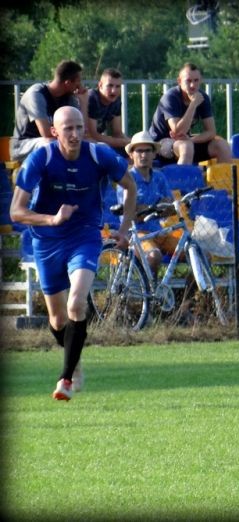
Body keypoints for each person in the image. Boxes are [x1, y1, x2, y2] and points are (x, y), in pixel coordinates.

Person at [10, 106, 136, 401]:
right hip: (47, 241)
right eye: (68, 128)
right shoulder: (41, 157)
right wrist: (52, 219)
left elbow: (130, 187)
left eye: (79, 127)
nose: (76, 134)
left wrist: (124, 229)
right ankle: (75, 361)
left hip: (85, 236)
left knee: (77, 303)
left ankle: (65, 379)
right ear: (55, 132)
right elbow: (16, 211)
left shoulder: (99, 154)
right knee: (57, 320)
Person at [148, 62, 232, 165]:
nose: (193, 85)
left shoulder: (202, 97)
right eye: (188, 81)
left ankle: (222, 176)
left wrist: (191, 139)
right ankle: (182, 176)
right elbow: (178, 131)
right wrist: (193, 104)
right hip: (159, 144)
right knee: (186, 147)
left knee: (222, 145)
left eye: (196, 80)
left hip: (184, 141)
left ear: (201, 80)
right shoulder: (170, 97)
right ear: (179, 81)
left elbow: (211, 132)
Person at [120, 131, 178, 274]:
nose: (144, 155)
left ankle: (189, 289)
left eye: (147, 151)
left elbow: (171, 208)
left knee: (195, 252)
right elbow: (131, 213)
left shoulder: (159, 177)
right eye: (139, 151)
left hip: (159, 232)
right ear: (131, 154)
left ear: (154, 154)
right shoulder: (126, 178)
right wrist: (158, 208)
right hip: (136, 234)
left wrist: (146, 209)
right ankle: (151, 288)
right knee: (153, 256)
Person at [11, 60, 88, 163]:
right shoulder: (36, 94)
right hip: (23, 146)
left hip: (53, 140)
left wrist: (83, 102)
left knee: (88, 144)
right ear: (68, 83)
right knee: (51, 143)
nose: (80, 86)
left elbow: (83, 131)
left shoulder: (69, 98)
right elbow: (46, 133)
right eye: (78, 81)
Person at [86, 68, 130, 155]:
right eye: (110, 86)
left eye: (118, 86)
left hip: (97, 139)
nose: (114, 91)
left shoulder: (116, 101)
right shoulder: (92, 98)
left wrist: (133, 144)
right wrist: (124, 142)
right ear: (100, 85)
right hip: (83, 139)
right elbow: (92, 135)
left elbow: (117, 133)